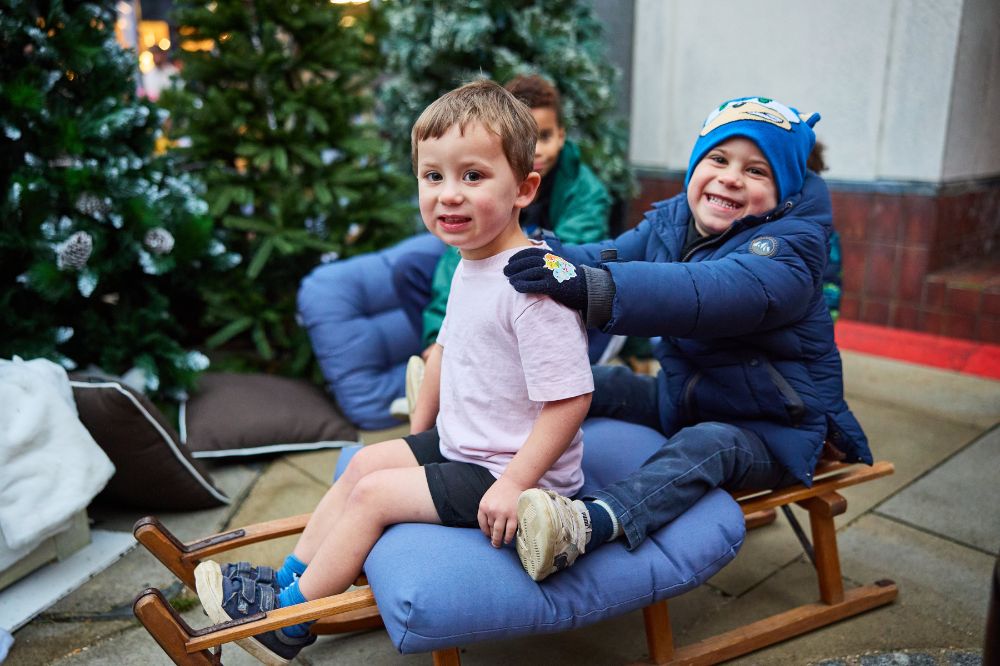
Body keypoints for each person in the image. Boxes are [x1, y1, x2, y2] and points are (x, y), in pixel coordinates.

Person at [193, 79, 594, 664]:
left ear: (524, 189)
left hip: (518, 476)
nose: (449, 196)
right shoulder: (470, 261)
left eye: (473, 176)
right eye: (433, 177)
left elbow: (571, 399)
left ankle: (289, 622)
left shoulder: (534, 285)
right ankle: (288, 578)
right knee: (365, 461)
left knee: (375, 495)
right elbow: (446, 347)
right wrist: (419, 432)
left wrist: (513, 485)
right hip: (468, 447)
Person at [504, 96, 873, 582]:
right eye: (717, 159)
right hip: (685, 398)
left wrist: (590, 286)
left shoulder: (789, 251)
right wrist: (540, 248)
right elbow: (607, 253)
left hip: (771, 428)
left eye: (756, 170)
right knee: (598, 381)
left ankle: (586, 524)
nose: (730, 177)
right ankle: (485, 425)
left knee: (709, 444)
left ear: (783, 189)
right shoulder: (674, 221)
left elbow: (702, 292)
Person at [392, 74, 612, 355]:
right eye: (525, 140)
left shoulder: (584, 190)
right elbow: (456, 262)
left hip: (558, 287)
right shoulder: (473, 201)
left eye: (543, 137)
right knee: (410, 269)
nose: (535, 151)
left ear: (561, 135)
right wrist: (438, 342)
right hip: (497, 272)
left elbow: (569, 261)